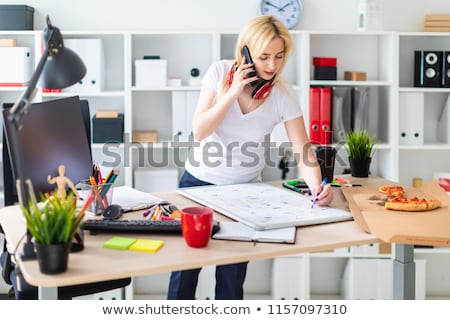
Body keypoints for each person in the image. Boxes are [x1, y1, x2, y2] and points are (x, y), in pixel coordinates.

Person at [167, 15, 333, 300]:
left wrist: (318, 188)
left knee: (231, 280)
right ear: (245, 53)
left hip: (244, 193)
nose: (272, 66)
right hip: (198, 186)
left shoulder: (281, 95)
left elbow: (303, 150)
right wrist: (232, 92)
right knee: (184, 273)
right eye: (264, 56)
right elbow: (199, 130)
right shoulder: (219, 73)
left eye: (279, 56)